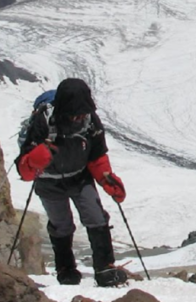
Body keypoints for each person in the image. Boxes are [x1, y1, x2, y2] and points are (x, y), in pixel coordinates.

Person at [16, 77, 129, 286]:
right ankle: (66, 270)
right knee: (62, 225)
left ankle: (104, 269)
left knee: (95, 217)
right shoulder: (43, 122)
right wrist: (35, 159)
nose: (79, 118)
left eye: (82, 113)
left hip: (77, 177)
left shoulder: (90, 121)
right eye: (75, 114)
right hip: (51, 181)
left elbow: (97, 156)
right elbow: (24, 170)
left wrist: (107, 180)